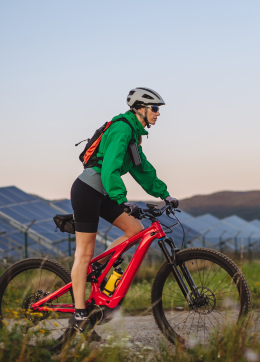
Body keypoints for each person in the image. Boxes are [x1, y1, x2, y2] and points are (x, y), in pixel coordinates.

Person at [68, 87, 179, 336]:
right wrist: (121, 198)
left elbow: (143, 169)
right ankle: (78, 314)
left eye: (158, 109)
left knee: (134, 230)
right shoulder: (122, 128)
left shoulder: (134, 135)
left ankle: (103, 266)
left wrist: (164, 193)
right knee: (84, 252)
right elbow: (109, 167)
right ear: (140, 108)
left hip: (104, 192)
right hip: (87, 190)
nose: (158, 114)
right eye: (155, 108)